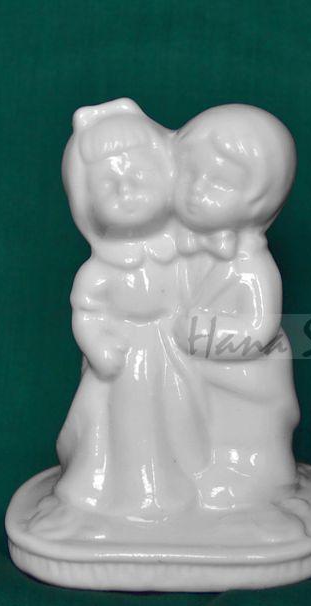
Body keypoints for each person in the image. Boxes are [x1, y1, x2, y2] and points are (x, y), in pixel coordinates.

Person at [46, 99, 204, 525]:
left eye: (138, 176)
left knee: (180, 418)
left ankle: (188, 479)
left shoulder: (181, 251)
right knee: (130, 424)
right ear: (87, 203)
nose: (126, 191)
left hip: (174, 354)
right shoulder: (101, 268)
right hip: (129, 359)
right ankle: (139, 490)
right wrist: (98, 347)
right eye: (108, 185)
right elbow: (86, 312)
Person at [172, 104, 301, 513]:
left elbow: (260, 329)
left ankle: (254, 481)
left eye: (219, 183)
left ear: (258, 201)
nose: (196, 190)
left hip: (244, 374)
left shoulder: (252, 266)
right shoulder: (179, 249)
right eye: (189, 173)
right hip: (197, 368)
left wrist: (201, 337)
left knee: (244, 434)